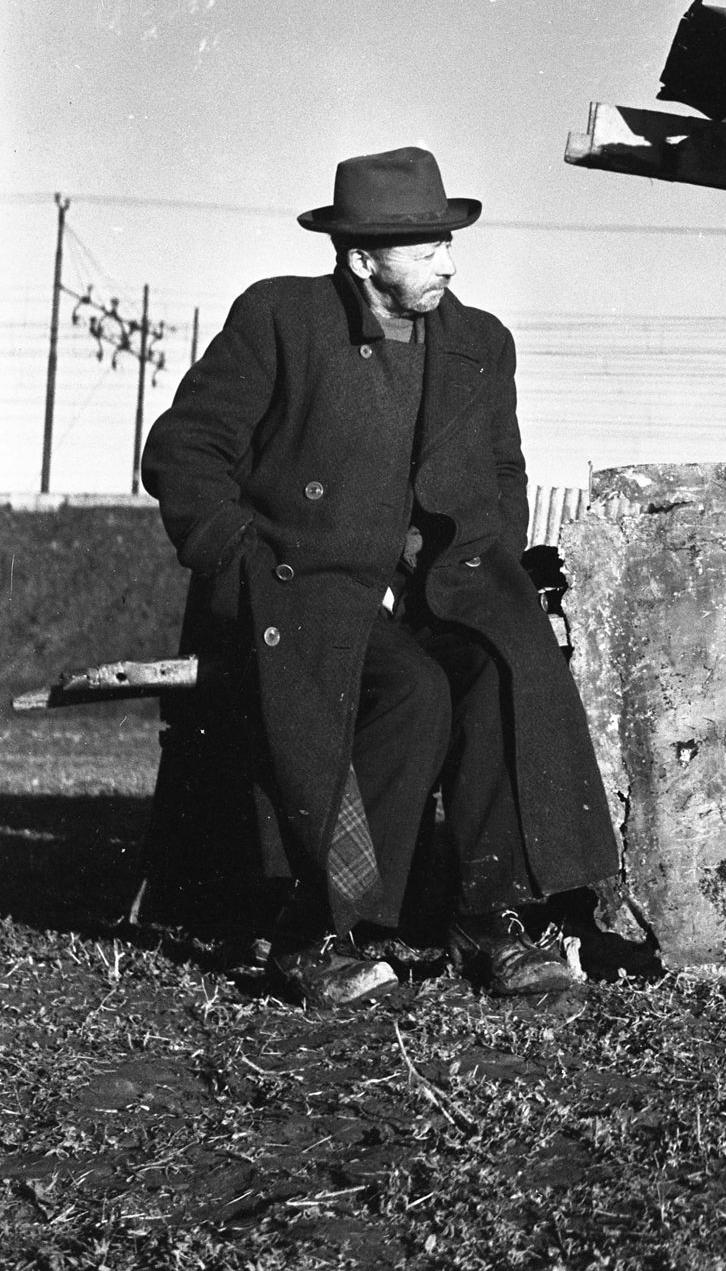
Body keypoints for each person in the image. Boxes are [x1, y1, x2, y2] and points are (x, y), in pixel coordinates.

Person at [142, 146, 620, 1007]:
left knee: (501, 666)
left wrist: (488, 559)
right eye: (426, 247)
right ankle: (324, 932)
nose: (449, 262)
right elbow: (184, 450)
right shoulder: (282, 319)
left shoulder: (481, 344)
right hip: (306, 584)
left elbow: (505, 472)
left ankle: (494, 916)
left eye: (447, 241)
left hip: (441, 586)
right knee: (415, 696)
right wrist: (241, 563)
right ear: (362, 259)